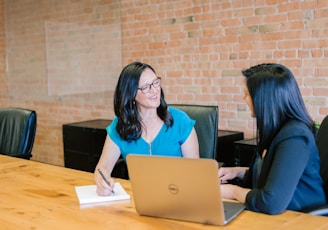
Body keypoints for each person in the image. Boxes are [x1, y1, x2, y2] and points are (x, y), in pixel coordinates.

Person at [219, 63, 326, 214]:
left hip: (302, 218)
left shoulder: (295, 137)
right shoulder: (276, 130)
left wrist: (232, 191)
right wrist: (239, 172)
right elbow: (274, 173)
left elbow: (271, 202)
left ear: (264, 99)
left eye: (247, 94)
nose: (244, 99)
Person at [95, 61, 199, 196]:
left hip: (177, 196)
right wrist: (102, 181)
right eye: (145, 87)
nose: (155, 90)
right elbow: (102, 168)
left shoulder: (180, 121)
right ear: (131, 94)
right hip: (137, 199)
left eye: (156, 83)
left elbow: (195, 174)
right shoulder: (120, 126)